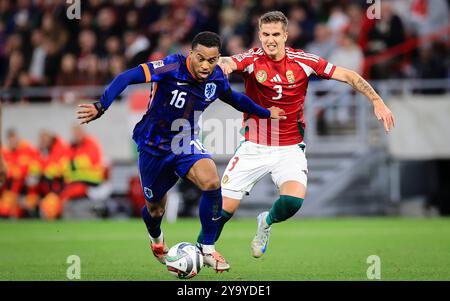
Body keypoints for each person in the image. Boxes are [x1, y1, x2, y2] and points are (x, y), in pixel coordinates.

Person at [76, 31, 286, 272]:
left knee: (211, 182)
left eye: (212, 60)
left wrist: (266, 113)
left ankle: (207, 248)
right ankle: (156, 238)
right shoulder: (170, 66)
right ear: (191, 54)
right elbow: (127, 76)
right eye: (201, 59)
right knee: (155, 209)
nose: (206, 66)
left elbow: (234, 98)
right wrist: (101, 105)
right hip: (153, 146)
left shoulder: (216, 78)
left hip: (185, 142)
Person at [197, 11, 395, 258]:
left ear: (285, 36)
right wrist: (223, 64)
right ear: (259, 35)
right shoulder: (252, 59)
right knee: (221, 213)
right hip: (254, 146)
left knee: (292, 202)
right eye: (266, 34)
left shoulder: (304, 61)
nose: (270, 40)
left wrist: (377, 101)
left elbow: (348, 75)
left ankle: (265, 223)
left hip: (290, 148)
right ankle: (199, 254)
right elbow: (229, 61)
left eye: (276, 35)